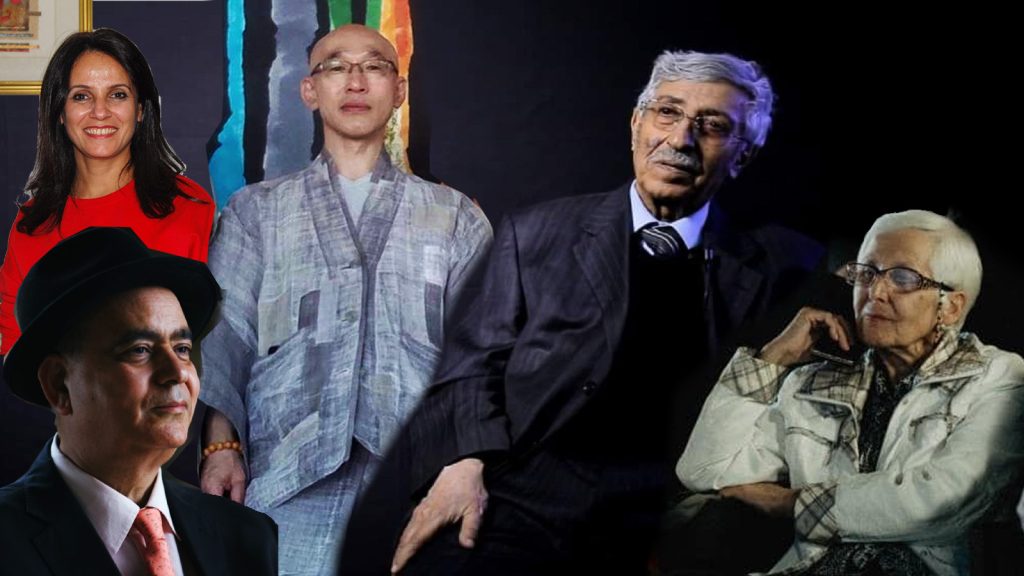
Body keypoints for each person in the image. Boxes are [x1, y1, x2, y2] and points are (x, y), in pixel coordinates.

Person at [350, 49, 820, 575]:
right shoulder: (535, 233)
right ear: (637, 123)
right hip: (520, 490)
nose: (680, 139)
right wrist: (463, 464)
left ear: (743, 155)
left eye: (711, 126)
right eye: (667, 112)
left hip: (671, 511)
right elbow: (469, 367)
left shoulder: (786, 265)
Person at [197, 24, 492, 574]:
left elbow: (484, 358)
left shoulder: (455, 216)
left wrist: (469, 464)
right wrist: (221, 447)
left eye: (374, 66)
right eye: (335, 66)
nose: (355, 81)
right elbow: (226, 338)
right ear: (309, 91)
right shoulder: (255, 212)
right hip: (287, 470)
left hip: (419, 474)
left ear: (399, 91)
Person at [677, 210, 1024, 575]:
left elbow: (943, 500)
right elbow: (704, 470)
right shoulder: (813, 384)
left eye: (903, 277)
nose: (876, 292)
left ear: (950, 306)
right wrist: (771, 358)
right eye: (866, 273)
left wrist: (789, 503)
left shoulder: (999, 377)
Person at [0, 227, 277, 575]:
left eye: (182, 349)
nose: (177, 372)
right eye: (140, 350)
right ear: (59, 385)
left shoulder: (249, 537)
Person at [0, 28, 215, 356]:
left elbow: (217, 344)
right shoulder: (32, 225)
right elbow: (14, 348)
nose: (100, 111)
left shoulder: (191, 207)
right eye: (81, 96)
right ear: (60, 112)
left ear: (140, 109)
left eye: (117, 95)